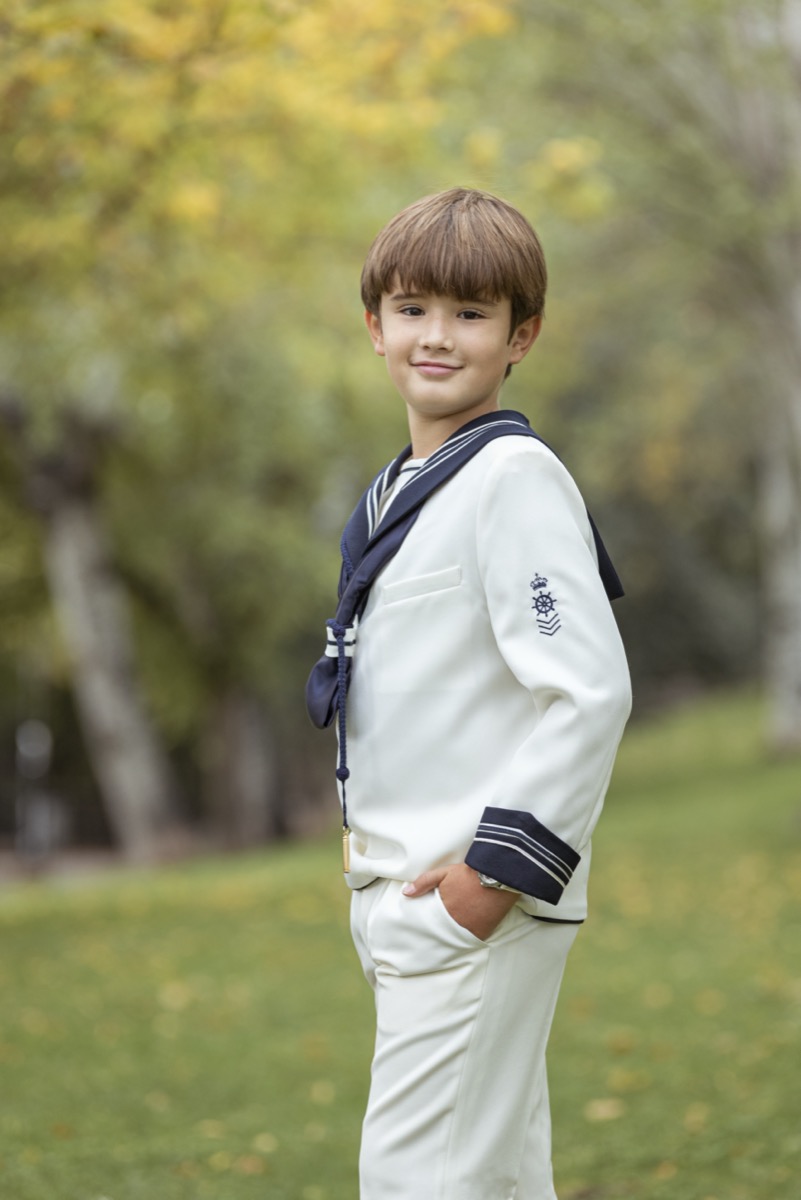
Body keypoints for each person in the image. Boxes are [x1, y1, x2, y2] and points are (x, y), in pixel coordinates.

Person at [305, 187, 632, 1200]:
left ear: (520, 335)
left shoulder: (511, 477)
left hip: (471, 899)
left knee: (419, 1181)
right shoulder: (403, 488)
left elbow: (588, 692)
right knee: (491, 1179)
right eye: (412, 309)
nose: (436, 336)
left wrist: (491, 881)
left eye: (471, 313)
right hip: (402, 901)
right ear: (375, 325)